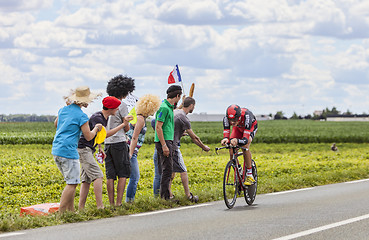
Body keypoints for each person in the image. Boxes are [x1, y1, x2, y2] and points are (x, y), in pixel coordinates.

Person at [52, 86, 102, 213]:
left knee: (70, 181)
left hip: (57, 149)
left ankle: (71, 211)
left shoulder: (63, 110)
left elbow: (56, 124)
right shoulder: (82, 116)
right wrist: (96, 129)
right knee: (72, 183)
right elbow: (89, 136)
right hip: (69, 151)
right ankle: (61, 213)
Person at [77, 96, 129, 210]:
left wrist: (99, 147)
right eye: (116, 108)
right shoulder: (98, 118)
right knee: (98, 176)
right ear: (111, 108)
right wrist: (123, 125)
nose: (117, 110)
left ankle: (81, 209)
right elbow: (106, 134)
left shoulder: (103, 117)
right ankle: (100, 207)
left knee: (86, 180)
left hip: (88, 149)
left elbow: (99, 135)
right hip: (84, 149)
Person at [170, 97, 210, 202]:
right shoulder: (184, 118)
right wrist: (204, 147)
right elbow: (194, 138)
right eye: (194, 106)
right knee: (183, 170)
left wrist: (180, 133)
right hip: (173, 146)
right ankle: (188, 196)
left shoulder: (175, 112)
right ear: (191, 105)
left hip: (166, 143)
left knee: (171, 172)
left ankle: (168, 195)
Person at [105, 75, 135, 206]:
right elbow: (126, 126)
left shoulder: (106, 103)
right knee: (122, 173)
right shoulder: (121, 105)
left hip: (107, 142)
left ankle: (111, 204)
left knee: (110, 175)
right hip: (119, 140)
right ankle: (118, 203)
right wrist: (127, 123)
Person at [125, 94, 161, 202]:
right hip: (131, 149)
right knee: (135, 177)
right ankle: (129, 201)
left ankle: (129, 200)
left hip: (131, 149)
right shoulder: (140, 119)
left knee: (133, 177)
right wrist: (131, 154)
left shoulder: (137, 116)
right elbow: (135, 137)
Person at [154, 85, 182, 200]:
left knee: (168, 169)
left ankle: (165, 195)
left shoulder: (169, 107)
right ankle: (165, 197)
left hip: (168, 140)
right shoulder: (164, 108)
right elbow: (158, 127)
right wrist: (164, 145)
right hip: (164, 142)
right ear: (177, 96)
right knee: (167, 170)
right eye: (179, 97)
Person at [221, 104, 258, 185]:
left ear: (239, 117)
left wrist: (237, 141)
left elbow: (244, 140)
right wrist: (226, 139)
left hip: (250, 127)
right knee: (231, 148)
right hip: (238, 128)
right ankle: (239, 169)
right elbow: (226, 134)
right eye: (231, 120)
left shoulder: (247, 116)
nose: (232, 122)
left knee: (245, 146)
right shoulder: (226, 119)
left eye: (235, 119)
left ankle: (249, 174)